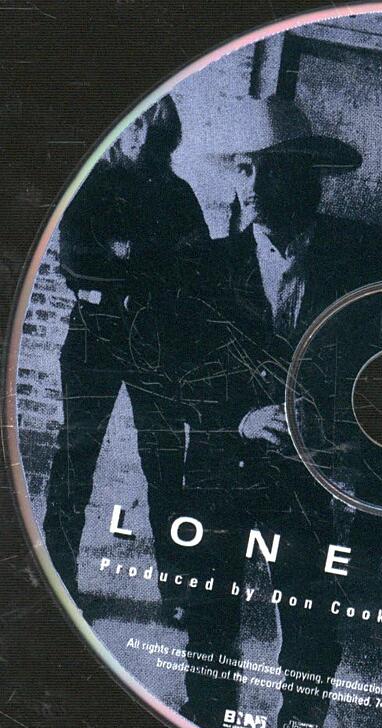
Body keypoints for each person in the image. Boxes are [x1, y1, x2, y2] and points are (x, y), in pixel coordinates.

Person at [175, 96, 374, 728]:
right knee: (210, 621)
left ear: (305, 177)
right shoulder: (209, 264)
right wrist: (239, 418)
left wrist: (335, 433)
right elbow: (183, 372)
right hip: (223, 471)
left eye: (271, 168)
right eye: (246, 169)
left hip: (312, 479)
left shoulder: (359, 262)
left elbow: (378, 365)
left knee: (314, 633)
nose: (255, 184)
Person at [42, 96, 210, 616]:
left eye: (155, 134)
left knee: (164, 462)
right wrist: (148, 262)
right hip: (93, 335)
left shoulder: (178, 194)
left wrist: (127, 255)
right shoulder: (89, 184)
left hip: (155, 341)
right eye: (137, 128)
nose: (143, 141)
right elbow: (74, 260)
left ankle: (178, 592)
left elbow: (198, 266)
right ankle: (56, 579)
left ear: (167, 141)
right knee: (76, 456)